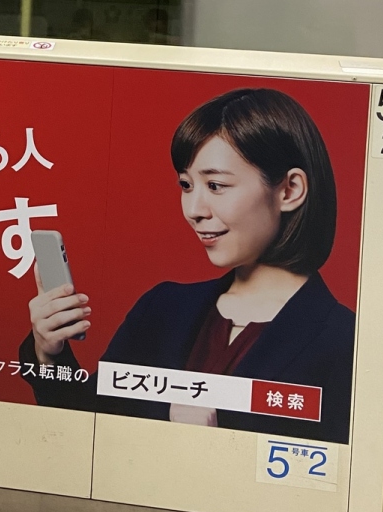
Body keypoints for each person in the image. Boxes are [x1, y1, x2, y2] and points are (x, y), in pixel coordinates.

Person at [20, 87, 355, 443]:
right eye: (186, 184)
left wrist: (214, 445)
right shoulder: (162, 308)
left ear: (289, 190)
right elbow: (87, 431)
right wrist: (48, 351)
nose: (194, 210)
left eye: (216, 185)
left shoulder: (345, 343)